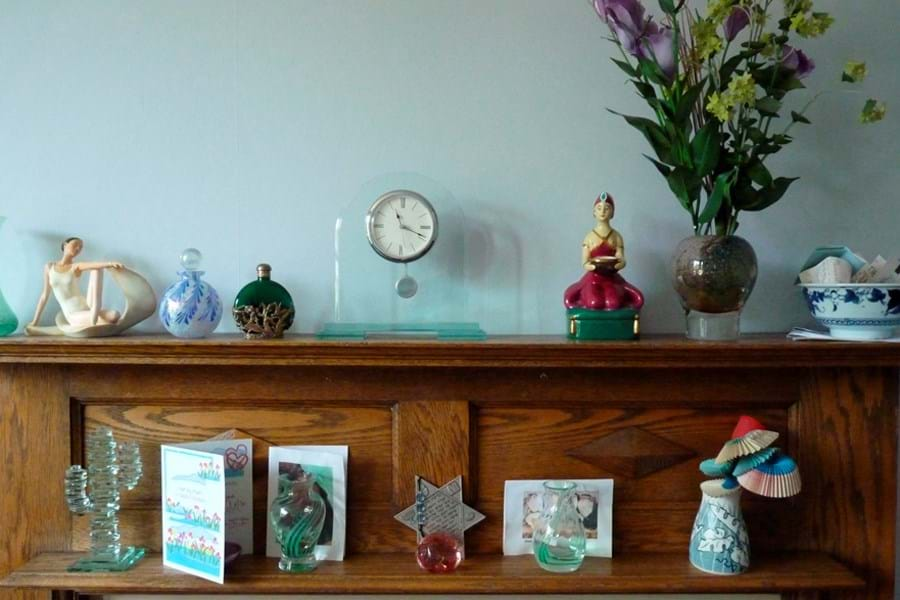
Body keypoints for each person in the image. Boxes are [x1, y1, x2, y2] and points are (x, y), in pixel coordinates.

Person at [564, 194, 644, 311]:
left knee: (613, 303)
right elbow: (585, 262)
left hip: (612, 279)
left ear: (612, 213)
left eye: (607, 208)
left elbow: (621, 259)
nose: (602, 212)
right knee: (594, 303)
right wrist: (592, 266)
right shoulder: (589, 237)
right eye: (599, 208)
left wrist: (618, 265)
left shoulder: (616, 236)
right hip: (593, 279)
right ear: (594, 212)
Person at [29, 237, 124, 329]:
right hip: (73, 314)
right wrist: (35, 321)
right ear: (65, 245)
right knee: (110, 320)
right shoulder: (49, 267)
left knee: (115, 315)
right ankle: (94, 320)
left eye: (81, 247)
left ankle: (95, 309)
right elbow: (44, 296)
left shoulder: (75, 266)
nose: (78, 248)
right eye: (75, 245)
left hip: (87, 306)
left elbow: (92, 265)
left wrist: (110, 264)